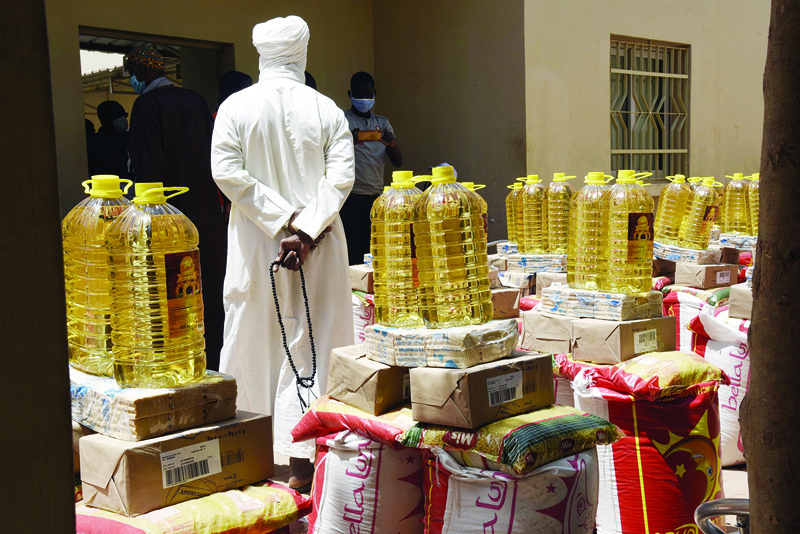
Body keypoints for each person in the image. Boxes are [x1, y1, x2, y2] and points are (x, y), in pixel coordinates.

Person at [211, 16, 355, 491]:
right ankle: (308, 460)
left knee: (256, 343)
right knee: (317, 344)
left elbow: (226, 172)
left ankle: (248, 460)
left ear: (260, 55)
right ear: (303, 53)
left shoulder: (235, 107)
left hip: (260, 246)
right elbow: (341, 180)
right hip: (319, 244)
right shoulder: (328, 110)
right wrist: (306, 229)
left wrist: (278, 223)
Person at [125, 45, 227, 372]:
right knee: (209, 284)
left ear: (141, 71)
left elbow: (148, 170)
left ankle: (180, 359)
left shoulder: (146, 106)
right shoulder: (196, 101)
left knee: (173, 290)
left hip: (170, 217)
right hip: (208, 212)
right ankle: (217, 351)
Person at [341, 71, 402, 266]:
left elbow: (398, 161)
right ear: (350, 94)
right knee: (353, 248)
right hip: (352, 195)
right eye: (359, 95)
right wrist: (351, 138)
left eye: (368, 94)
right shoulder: (342, 120)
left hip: (377, 196)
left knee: (375, 248)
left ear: (374, 93)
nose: (364, 99)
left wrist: (391, 144)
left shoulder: (382, 123)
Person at [87, 100, 132, 179]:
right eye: (117, 115)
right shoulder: (93, 143)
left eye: (124, 115)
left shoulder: (130, 138)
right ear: (106, 119)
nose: (123, 119)